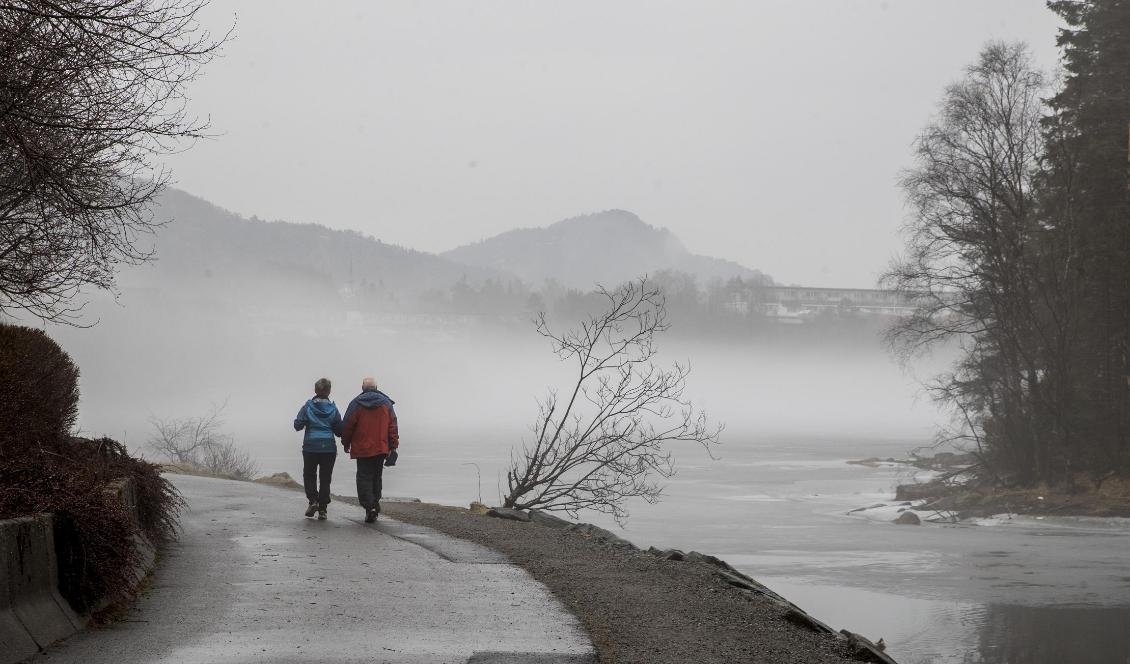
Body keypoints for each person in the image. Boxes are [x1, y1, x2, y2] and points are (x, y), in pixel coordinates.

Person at [342, 376, 399, 523]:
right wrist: (393, 445)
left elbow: (348, 425)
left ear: (363, 388)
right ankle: (374, 503)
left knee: (364, 477)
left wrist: (345, 442)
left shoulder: (356, 404)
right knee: (376, 476)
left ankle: (370, 506)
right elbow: (392, 425)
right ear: (376, 387)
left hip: (362, 448)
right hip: (381, 447)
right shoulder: (386, 403)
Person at [293, 378, 343, 520]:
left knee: (309, 475)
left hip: (311, 446)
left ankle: (313, 501)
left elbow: (297, 425)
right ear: (329, 391)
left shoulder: (307, 407)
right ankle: (323, 510)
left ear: (315, 390)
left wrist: (303, 422)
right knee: (325, 478)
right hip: (329, 447)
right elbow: (340, 430)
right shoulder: (333, 409)